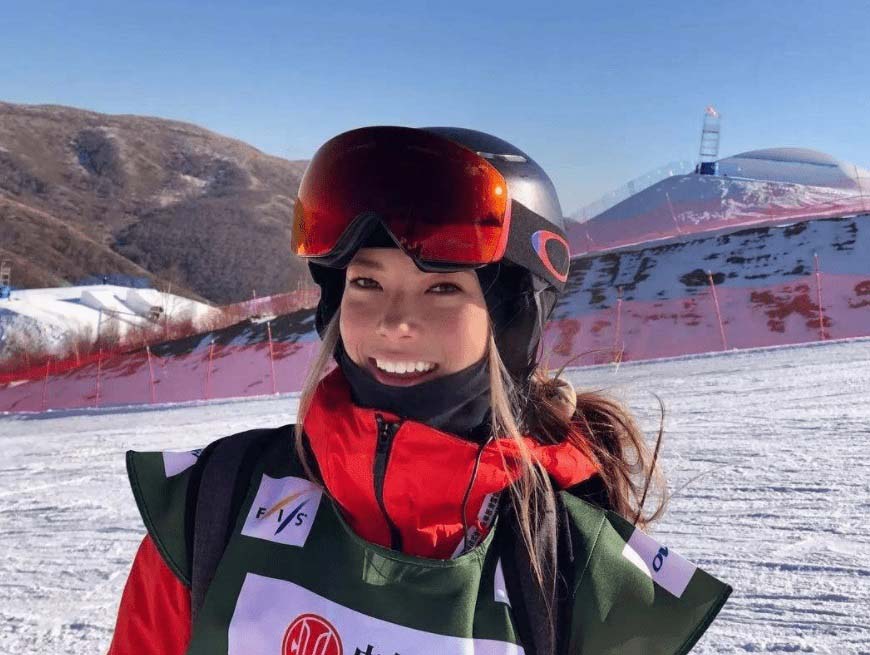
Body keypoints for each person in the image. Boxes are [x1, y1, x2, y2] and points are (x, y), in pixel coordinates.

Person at [108, 126, 730, 655]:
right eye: (366, 283)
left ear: (512, 322)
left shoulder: (583, 576)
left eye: (442, 288)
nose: (394, 322)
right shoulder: (213, 504)